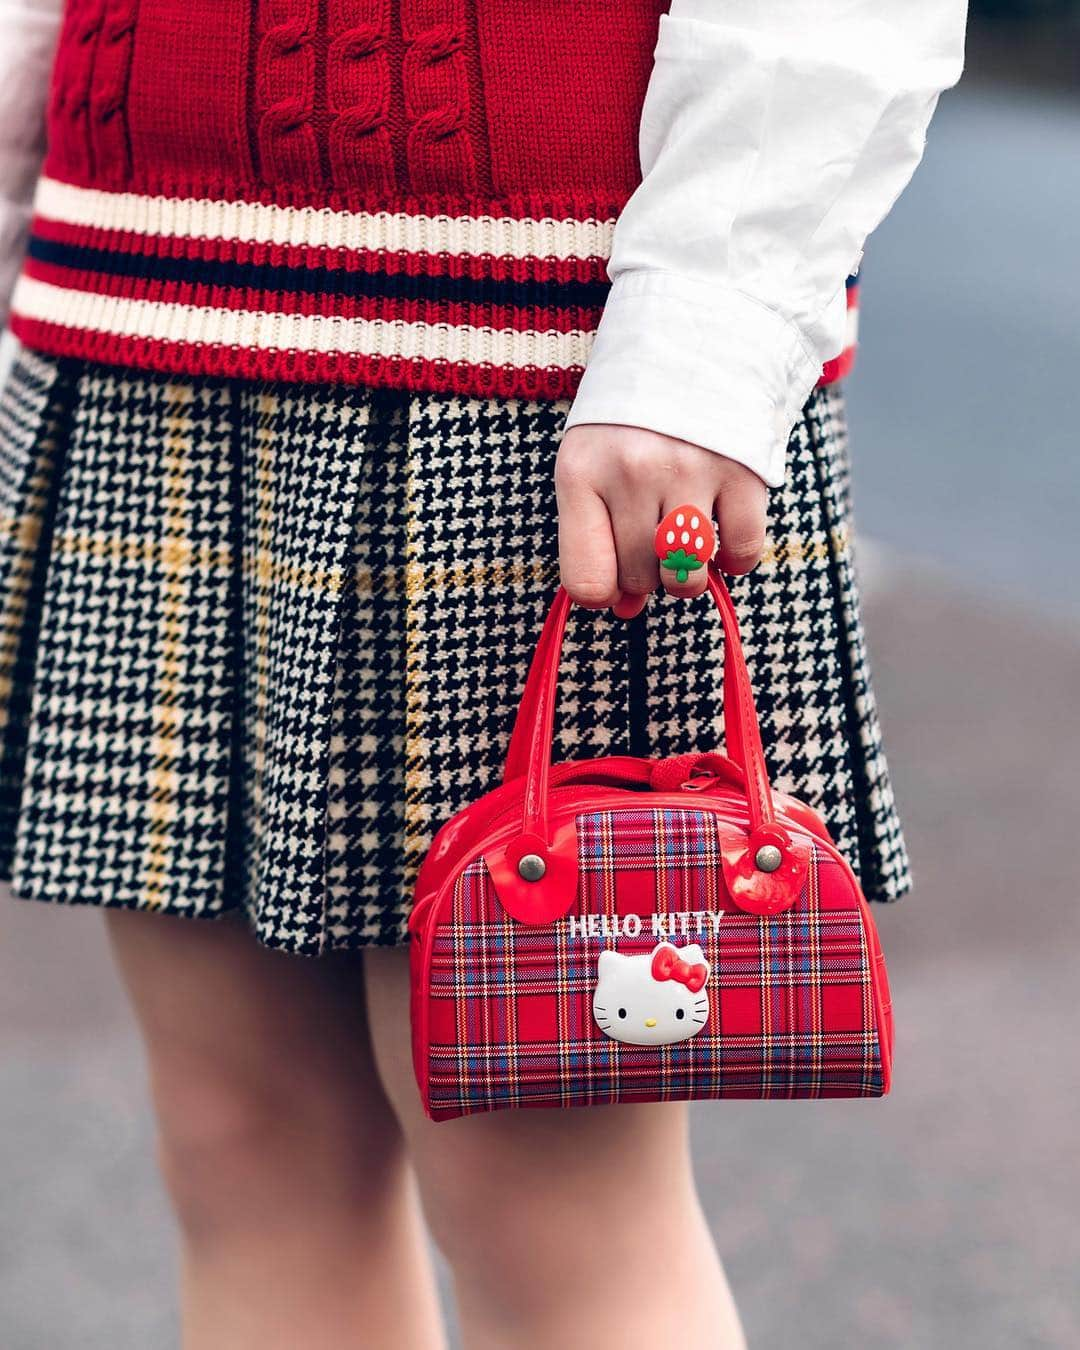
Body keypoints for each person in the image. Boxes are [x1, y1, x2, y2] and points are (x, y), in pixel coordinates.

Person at [0, 2, 967, 1345]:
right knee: (240, 1144)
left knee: (551, 1218)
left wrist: (704, 342)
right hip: (125, 324)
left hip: (538, 377)